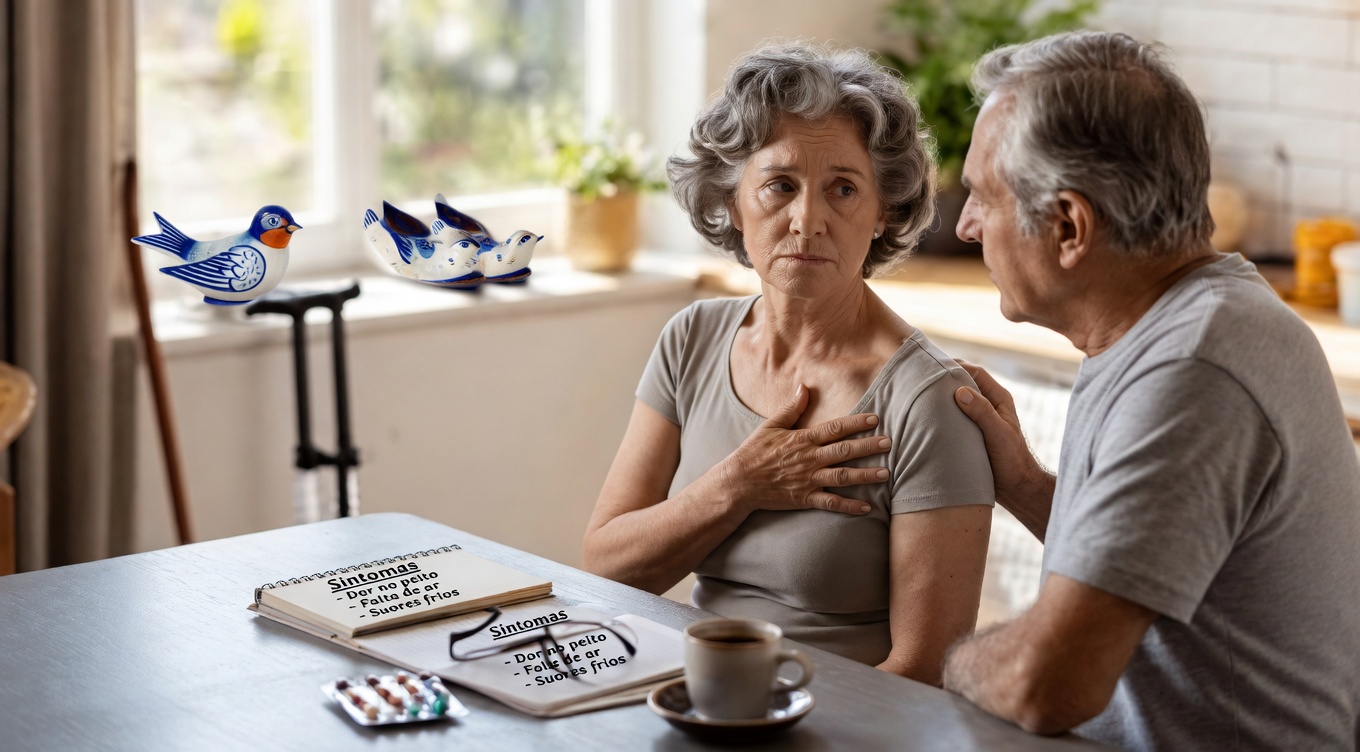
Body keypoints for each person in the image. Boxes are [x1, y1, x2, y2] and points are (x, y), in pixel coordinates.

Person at [940, 31, 1360, 749]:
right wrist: (1028, 486)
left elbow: (1044, 686)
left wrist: (947, 661)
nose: (965, 225)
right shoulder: (1182, 319)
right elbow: (1165, 560)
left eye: (983, 196)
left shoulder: (1196, 370)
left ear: (1069, 226)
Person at [581, 43, 995, 683]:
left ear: (882, 212)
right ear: (732, 198)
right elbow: (608, 565)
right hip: (696, 698)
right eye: (779, 185)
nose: (809, 220)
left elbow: (925, 673)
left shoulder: (929, 402)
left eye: (843, 189)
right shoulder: (691, 338)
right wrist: (739, 486)